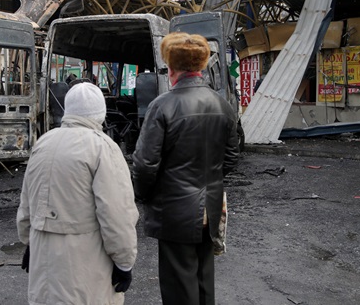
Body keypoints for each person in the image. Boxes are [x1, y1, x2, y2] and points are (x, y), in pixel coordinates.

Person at [132, 32, 240, 305]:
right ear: (201, 67)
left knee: (179, 284)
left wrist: (144, 195)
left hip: (174, 209)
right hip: (212, 206)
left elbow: (145, 165)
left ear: (171, 68)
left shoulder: (162, 105)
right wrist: (210, 180)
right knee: (204, 277)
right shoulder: (223, 105)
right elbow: (231, 158)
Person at [16, 82, 139, 305]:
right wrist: (124, 262)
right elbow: (117, 214)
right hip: (83, 264)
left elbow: (27, 202)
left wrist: (29, 242)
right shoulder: (103, 148)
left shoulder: (44, 143)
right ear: (100, 113)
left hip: (43, 256)